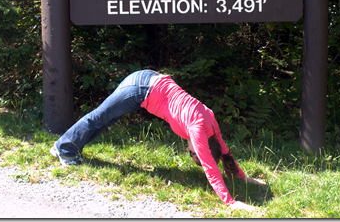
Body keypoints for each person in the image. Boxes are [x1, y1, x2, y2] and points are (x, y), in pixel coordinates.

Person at [50, 69, 266, 211]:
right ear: (198, 150)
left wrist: (242, 177)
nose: (188, 150)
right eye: (192, 154)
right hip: (140, 88)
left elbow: (224, 152)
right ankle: (64, 148)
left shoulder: (210, 120)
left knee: (106, 121)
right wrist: (231, 202)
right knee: (100, 116)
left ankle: (71, 148)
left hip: (149, 83)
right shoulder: (198, 130)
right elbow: (211, 167)